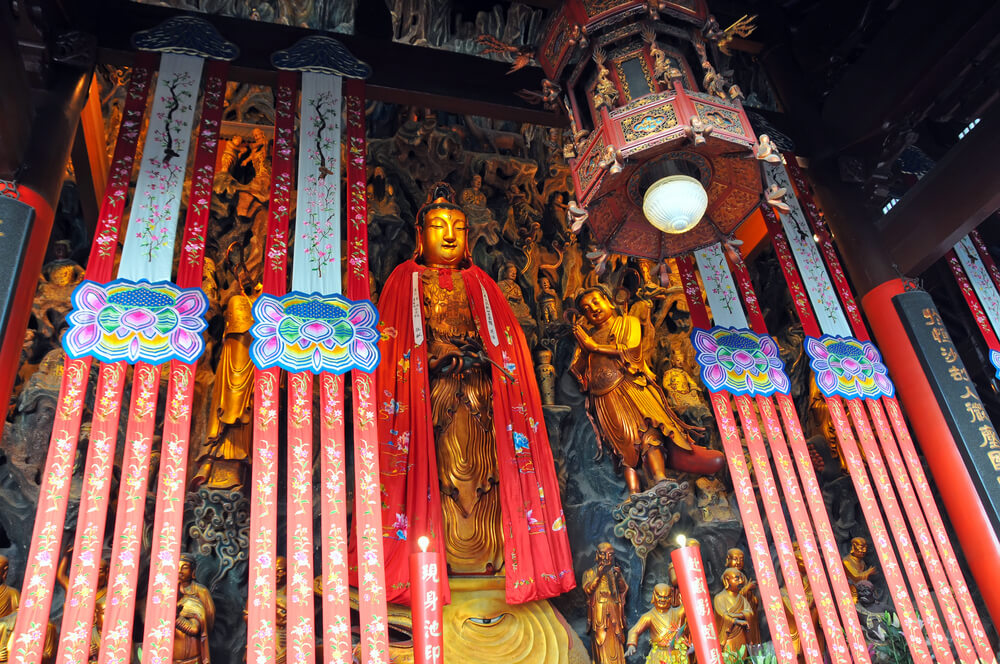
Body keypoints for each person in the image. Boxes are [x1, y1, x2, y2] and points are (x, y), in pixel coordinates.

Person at [370, 182, 573, 606]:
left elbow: (509, 344)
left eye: (458, 228)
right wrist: (431, 357)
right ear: (419, 235)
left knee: (484, 480)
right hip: (431, 402)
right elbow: (391, 350)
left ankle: (497, 563)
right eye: (438, 226)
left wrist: (484, 355)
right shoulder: (403, 281)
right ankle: (432, 567)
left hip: (482, 396)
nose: (448, 235)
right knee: (441, 478)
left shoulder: (482, 283)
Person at [571, 286, 724, 493]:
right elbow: (578, 371)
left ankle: (660, 477)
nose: (593, 309)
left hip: (631, 385)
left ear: (608, 301)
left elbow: (632, 349)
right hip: (604, 396)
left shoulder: (627, 322)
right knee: (623, 443)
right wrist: (581, 346)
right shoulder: (587, 338)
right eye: (586, 309)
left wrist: (594, 347)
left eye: (596, 302)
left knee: (649, 430)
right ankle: (634, 492)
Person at [583, 543, 628, 664]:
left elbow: (623, 589)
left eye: (610, 554)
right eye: (603, 554)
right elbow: (588, 590)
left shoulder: (615, 572)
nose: (607, 557)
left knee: (617, 640)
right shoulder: (589, 573)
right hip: (599, 613)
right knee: (600, 640)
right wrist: (598, 575)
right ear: (597, 555)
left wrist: (618, 578)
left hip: (614, 612)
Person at [626, 583, 689, 664]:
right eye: (659, 597)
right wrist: (631, 645)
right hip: (658, 654)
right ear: (654, 596)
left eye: (666, 597)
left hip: (676, 653)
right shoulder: (649, 617)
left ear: (671, 597)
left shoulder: (677, 613)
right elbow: (634, 631)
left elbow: (689, 604)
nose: (662, 600)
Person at [713, 568, 754, 652]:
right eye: (737, 579)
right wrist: (736, 621)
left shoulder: (742, 599)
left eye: (741, 578)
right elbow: (723, 615)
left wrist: (739, 615)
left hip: (742, 636)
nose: (741, 582)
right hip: (728, 638)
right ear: (727, 581)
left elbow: (750, 613)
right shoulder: (719, 598)